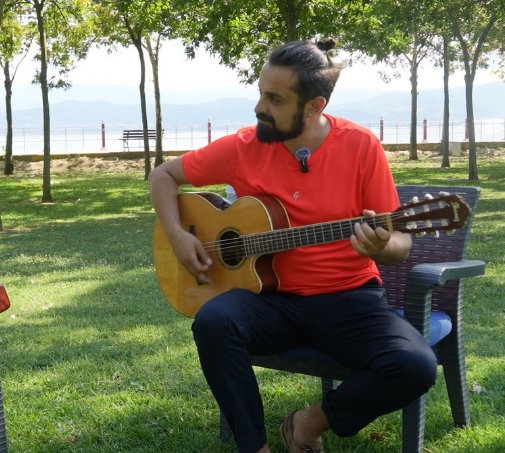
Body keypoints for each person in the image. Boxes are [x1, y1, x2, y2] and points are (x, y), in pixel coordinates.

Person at [148, 39, 437, 453]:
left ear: (314, 106)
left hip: (348, 298)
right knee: (213, 321)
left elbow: (401, 244)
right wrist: (179, 235)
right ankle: (255, 446)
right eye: (261, 92)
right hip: (270, 300)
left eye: (275, 99)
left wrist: (380, 246)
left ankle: (309, 423)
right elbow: (163, 176)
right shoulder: (244, 146)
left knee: (415, 366)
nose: (259, 107)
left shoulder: (360, 146)